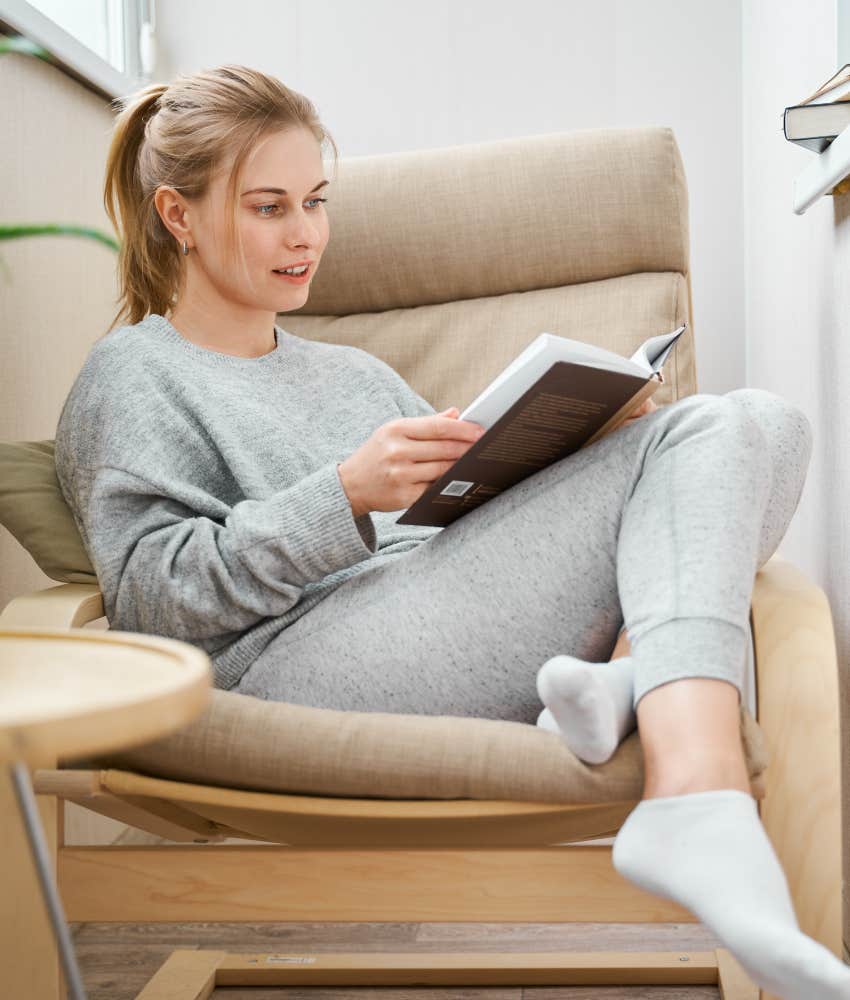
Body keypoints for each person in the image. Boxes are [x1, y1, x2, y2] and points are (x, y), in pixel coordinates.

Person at [52, 64, 850, 1000]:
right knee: (720, 428)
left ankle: (630, 679)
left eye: (315, 201)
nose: (305, 234)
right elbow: (154, 603)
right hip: (294, 664)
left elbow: (449, 520)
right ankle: (696, 786)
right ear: (176, 216)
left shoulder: (350, 371)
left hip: (432, 606)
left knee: (763, 422)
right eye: (269, 207)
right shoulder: (132, 377)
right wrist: (341, 495)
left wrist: (571, 447)